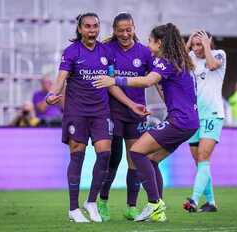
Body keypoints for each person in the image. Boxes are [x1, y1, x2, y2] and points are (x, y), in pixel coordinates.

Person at [45, 13, 147, 223]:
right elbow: (61, 80)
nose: (92, 30)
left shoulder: (106, 51)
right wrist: (52, 95)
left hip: (101, 112)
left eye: (95, 26)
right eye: (88, 26)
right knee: (77, 155)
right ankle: (73, 208)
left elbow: (111, 83)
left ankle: (91, 202)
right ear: (80, 29)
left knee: (104, 154)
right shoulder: (71, 52)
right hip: (77, 112)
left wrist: (131, 104)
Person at [93, 23, 198, 222]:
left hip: (180, 121)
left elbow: (147, 81)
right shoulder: (179, 60)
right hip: (189, 121)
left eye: (151, 41)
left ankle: (154, 203)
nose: (148, 44)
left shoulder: (166, 61)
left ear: (160, 42)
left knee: (136, 151)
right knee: (152, 159)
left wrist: (115, 80)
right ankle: (158, 211)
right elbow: (162, 85)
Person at [97, 12, 153, 221]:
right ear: (114, 31)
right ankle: (102, 201)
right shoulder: (107, 49)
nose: (125, 34)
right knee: (113, 158)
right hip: (113, 112)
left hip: (137, 115)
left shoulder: (145, 53)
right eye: (120, 30)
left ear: (134, 28)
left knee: (135, 159)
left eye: (128, 29)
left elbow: (154, 79)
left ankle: (131, 206)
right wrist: (131, 104)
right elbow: (109, 83)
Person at [182, 30, 227, 213]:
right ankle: (211, 202)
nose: (196, 48)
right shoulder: (190, 56)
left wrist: (207, 45)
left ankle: (193, 199)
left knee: (203, 157)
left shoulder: (219, 54)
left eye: (200, 44)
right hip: (194, 116)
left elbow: (212, 65)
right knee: (199, 161)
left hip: (212, 114)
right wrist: (188, 43)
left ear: (209, 43)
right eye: (194, 45)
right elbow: (177, 64)